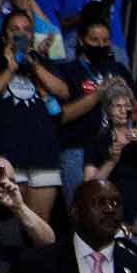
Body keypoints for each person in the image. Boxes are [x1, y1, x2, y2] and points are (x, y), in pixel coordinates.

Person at [0, 8, 70, 224]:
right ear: (3, 36)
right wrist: (10, 68)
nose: (21, 34)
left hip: (42, 152)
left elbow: (63, 92)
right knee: (6, 219)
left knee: (39, 220)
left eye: (26, 30)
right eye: (14, 29)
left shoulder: (41, 61)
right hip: (7, 154)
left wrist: (35, 65)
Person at [50, 13, 127, 198]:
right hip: (78, 150)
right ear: (81, 40)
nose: (101, 45)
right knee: (82, 209)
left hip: (113, 150)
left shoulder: (119, 69)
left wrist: (128, 102)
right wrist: (98, 94)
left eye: (105, 40)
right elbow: (63, 115)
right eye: (94, 40)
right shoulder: (68, 71)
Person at [80, 80, 137, 226]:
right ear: (108, 112)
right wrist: (111, 160)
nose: (123, 111)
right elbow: (90, 188)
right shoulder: (97, 142)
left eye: (127, 106)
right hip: (109, 212)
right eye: (117, 106)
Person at [0, 153, 56, 273]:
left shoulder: (19, 214)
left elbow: (49, 242)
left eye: (9, 181)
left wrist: (19, 207)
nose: (2, 184)